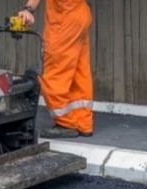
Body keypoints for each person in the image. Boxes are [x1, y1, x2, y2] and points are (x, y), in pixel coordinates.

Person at [18, 0, 94, 138]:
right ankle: (83, 122)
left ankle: (66, 123)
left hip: (64, 19)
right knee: (79, 73)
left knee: (55, 74)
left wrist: (28, 10)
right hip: (79, 14)